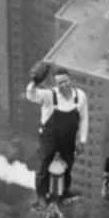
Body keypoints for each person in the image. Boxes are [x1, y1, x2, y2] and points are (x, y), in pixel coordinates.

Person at [26, 63, 88, 205]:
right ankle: (41, 195)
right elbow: (31, 95)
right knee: (44, 165)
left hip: (68, 137)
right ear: (55, 83)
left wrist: (82, 140)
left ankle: (64, 192)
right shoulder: (49, 95)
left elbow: (84, 119)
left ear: (70, 79)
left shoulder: (80, 96)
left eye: (65, 81)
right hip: (49, 137)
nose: (63, 85)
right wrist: (35, 82)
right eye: (60, 83)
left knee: (68, 164)